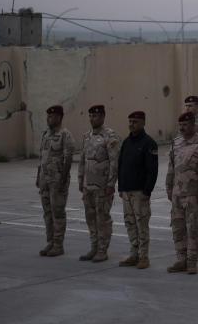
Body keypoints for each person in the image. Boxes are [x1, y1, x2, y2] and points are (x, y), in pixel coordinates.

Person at [166, 111, 198, 274]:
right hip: (177, 193)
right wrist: (168, 187)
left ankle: (192, 261)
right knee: (178, 227)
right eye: (180, 125)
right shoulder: (176, 142)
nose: (182, 128)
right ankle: (181, 259)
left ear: (193, 125)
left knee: (192, 228)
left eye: (185, 125)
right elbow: (171, 167)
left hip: (193, 194)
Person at [78, 105, 120, 262]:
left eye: (95, 116)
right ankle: (93, 247)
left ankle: (103, 250)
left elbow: (114, 162)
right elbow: (82, 160)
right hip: (89, 185)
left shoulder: (110, 136)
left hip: (102, 186)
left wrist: (111, 183)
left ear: (102, 117)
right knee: (90, 217)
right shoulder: (87, 136)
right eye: (90, 116)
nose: (92, 119)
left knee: (102, 218)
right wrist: (80, 179)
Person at [117, 110, 158, 269]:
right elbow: (121, 166)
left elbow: (152, 170)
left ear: (143, 123)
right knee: (130, 223)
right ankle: (133, 254)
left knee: (141, 225)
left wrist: (147, 191)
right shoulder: (126, 142)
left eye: (135, 121)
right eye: (130, 121)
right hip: (127, 190)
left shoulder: (149, 143)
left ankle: (143, 257)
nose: (131, 124)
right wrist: (121, 187)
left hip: (140, 191)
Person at [36, 104, 74, 257]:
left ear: (59, 117)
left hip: (57, 180)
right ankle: (50, 242)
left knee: (57, 212)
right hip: (45, 180)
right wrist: (39, 176)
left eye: (51, 116)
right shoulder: (45, 134)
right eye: (47, 116)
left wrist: (63, 180)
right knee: (47, 213)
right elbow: (42, 157)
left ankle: (58, 245)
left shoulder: (65, 135)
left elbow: (68, 159)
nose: (48, 119)